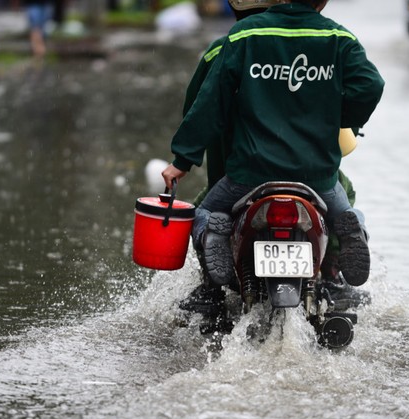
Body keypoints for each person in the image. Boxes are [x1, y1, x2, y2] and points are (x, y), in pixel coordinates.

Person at [162, 0, 384, 295]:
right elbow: (371, 85)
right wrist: (336, 118)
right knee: (347, 212)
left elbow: (208, 103)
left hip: (250, 174)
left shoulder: (244, 35)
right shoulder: (338, 37)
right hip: (318, 177)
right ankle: (344, 252)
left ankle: (214, 245)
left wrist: (183, 159)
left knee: (205, 212)